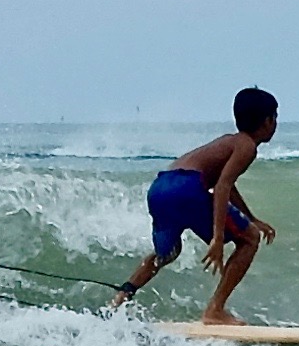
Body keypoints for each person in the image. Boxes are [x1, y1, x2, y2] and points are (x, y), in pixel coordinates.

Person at [108, 87, 279, 325]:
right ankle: (215, 310)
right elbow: (221, 187)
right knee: (250, 239)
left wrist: (251, 217)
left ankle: (121, 296)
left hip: (161, 188)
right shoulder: (246, 146)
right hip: (187, 189)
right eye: (275, 117)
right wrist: (218, 238)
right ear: (268, 120)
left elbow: (227, 184)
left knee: (166, 254)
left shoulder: (228, 142)